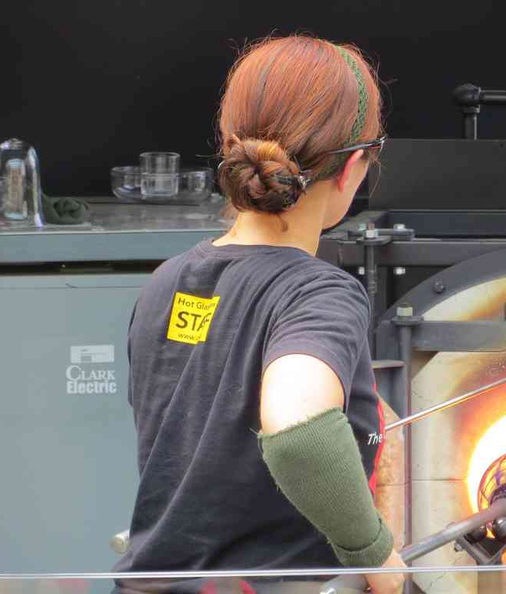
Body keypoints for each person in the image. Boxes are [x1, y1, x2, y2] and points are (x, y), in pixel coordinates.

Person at [114, 35, 405, 594]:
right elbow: (299, 432)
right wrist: (376, 556)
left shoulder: (166, 282)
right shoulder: (318, 293)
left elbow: (210, 422)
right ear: (351, 169)